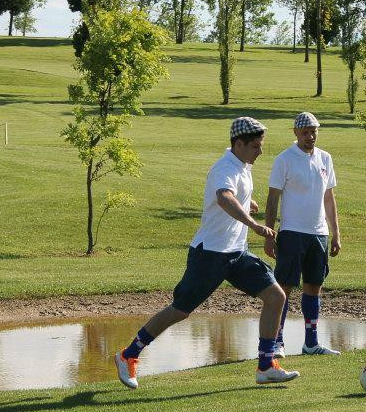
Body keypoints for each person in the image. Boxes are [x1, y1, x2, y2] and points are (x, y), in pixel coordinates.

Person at [114, 117, 299, 389]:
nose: (261, 151)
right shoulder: (224, 167)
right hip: (210, 255)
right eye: (256, 146)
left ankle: (266, 365)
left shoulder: (243, 164)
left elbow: (234, 197)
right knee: (180, 310)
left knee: (276, 296)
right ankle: (128, 354)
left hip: (236, 254)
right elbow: (224, 198)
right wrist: (253, 224)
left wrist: (248, 204)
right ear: (239, 143)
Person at [264, 112, 342, 357]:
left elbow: (329, 199)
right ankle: (277, 342)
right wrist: (269, 234)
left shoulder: (325, 158)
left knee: (313, 287)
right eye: (306, 132)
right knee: (284, 288)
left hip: (319, 234)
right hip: (291, 233)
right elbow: (272, 198)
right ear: (296, 133)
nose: (310, 136)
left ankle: (311, 343)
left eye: (314, 131)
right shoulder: (284, 160)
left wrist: (336, 233)